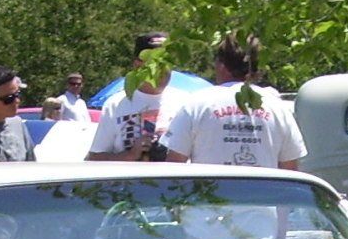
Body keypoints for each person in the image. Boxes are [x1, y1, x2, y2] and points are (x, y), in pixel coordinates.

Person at [163, 33, 306, 169]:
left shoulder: (196, 104)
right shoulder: (278, 108)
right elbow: (290, 168)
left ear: (221, 65)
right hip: (262, 194)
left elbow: (174, 165)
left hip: (210, 192)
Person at [90, 33, 183, 162]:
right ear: (138, 64)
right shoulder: (116, 104)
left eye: (167, 61)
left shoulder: (185, 103)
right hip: (130, 181)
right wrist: (130, 155)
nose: (163, 68)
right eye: (156, 62)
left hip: (173, 181)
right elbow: (94, 158)